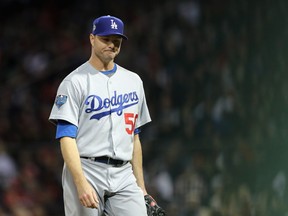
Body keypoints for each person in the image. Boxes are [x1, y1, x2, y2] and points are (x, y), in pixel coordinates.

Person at [49, 15, 151, 216]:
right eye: (106, 39)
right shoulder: (74, 82)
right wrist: (80, 182)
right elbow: (66, 137)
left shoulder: (134, 81)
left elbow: (135, 138)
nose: (111, 45)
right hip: (87, 167)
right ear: (92, 39)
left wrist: (141, 188)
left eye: (116, 41)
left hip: (123, 173)